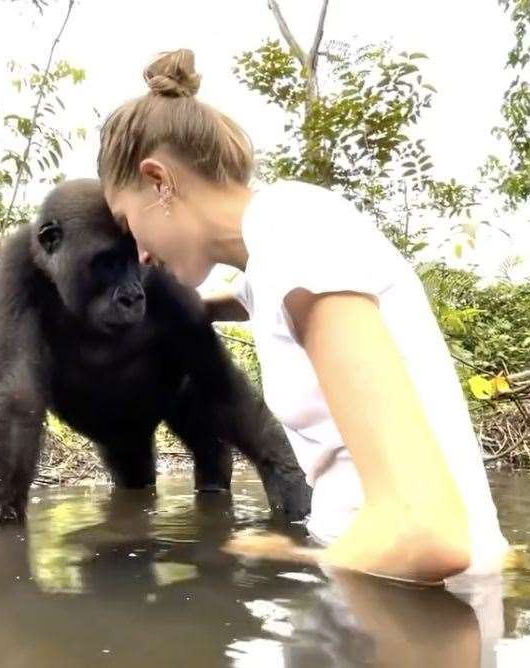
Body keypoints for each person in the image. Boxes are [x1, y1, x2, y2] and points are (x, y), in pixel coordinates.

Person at [96, 48, 509, 586]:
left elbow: (427, 534)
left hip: (419, 605)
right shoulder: (273, 256)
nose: (142, 256)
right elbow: (247, 298)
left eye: (128, 226)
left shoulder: (294, 231)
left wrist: (292, 559)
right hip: (379, 584)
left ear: (158, 182)